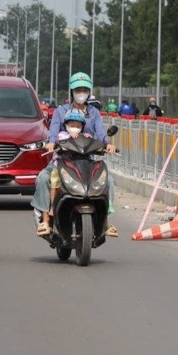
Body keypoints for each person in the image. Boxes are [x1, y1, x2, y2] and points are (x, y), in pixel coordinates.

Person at [31, 72, 119, 237]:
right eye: (78, 90)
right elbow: (53, 131)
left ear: (89, 92)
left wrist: (108, 144)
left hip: (87, 161)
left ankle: (105, 221)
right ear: (72, 91)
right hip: (62, 161)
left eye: (84, 90)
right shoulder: (60, 111)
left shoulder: (94, 113)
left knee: (108, 180)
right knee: (43, 178)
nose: (81, 93)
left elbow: (101, 134)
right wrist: (51, 142)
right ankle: (45, 220)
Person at [37, 109, 90, 236]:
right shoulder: (62, 135)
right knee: (52, 179)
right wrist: (64, 140)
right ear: (66, 125)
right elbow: (58, 140)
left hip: (80, 168)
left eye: (78, 125)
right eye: (72, 125)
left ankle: (105, 220)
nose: (75, 128)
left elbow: (91, 143)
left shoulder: (84, 136)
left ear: (82, 126)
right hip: (62, 167)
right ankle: (51, 210)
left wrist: (89, 138)